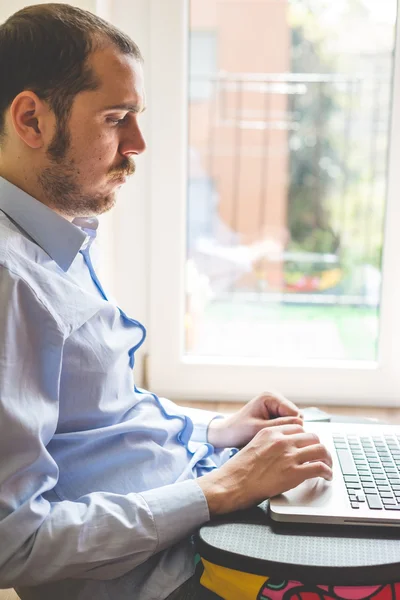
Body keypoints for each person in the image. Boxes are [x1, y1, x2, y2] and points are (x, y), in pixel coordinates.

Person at [0, 4, 333, 600]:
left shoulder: (53, 234)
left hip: (196, 507)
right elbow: (14, 544)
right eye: (116, 118)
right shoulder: (9, 282)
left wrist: (218, 430)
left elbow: (101, 415)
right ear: (31, 119)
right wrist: (220, 490)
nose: (138, 143)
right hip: (173, 571)